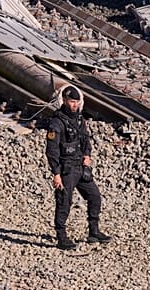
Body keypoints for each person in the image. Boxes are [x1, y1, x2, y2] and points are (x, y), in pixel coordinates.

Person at [45, 86, 110, 250]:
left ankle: (93, 231)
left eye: (77, 102)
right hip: (66, 169)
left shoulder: (80, 119)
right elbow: (52, 150)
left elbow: (86, 140)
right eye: (72, 102)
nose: (74, 105)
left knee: (95, 196)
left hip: (81, 166)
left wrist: (87, 155)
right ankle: (61, 237)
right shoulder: (57, 122)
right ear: (65, 101)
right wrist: (56, 173)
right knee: (64, 202)